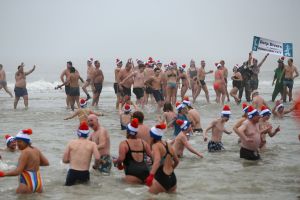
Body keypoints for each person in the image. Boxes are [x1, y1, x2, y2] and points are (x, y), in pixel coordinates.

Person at [0, 129, 49, 193]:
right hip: (38, 184)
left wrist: (3, 174)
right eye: (17, 142)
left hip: (26, 184)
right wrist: (32, 163)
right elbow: (46, 163)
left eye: (19, 142)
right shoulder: (36, 149)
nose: (17, 144)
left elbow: (17, 171)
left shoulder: (25, 152)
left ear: (25, 142)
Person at [113, 118, 152, 184]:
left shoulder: (124, 143)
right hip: (145, 172)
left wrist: (116, 161)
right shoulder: (143, 142)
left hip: (132, 173)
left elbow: (121, 159)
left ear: (128, 131)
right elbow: (152, 156)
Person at [63, 121, 100, 186]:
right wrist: (95, 166)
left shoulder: (71, 143)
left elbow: (64, 160)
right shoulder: (92, 144)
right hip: (84, 173)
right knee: (83, 194)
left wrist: (73, 160)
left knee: (68, 193)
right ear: (88, 133)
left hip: (72, 173)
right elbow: (97, 158)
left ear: (78, 133)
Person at [146, 123, 179, 194]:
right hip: (172, 178)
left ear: (152, 137)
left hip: (161, 178)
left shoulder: (156, 146)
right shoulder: (168, 145)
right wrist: (171, 169)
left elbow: (157, 161)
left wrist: (151, 176)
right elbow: (177, 161)